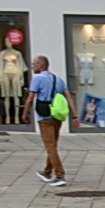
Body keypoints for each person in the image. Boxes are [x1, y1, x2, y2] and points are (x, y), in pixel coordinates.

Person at [27, 55, 71, 187]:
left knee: (50, 146)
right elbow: (68, 97)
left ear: (41, 65)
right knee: (53, 145)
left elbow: (30, 98)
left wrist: (24, 113)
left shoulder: (37, 78)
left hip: (44, 116)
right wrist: (74, 116)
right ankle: (46, 172)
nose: (32, 66)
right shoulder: (58, 79)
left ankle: (60, 175)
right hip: (57, 115)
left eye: (34, 63)